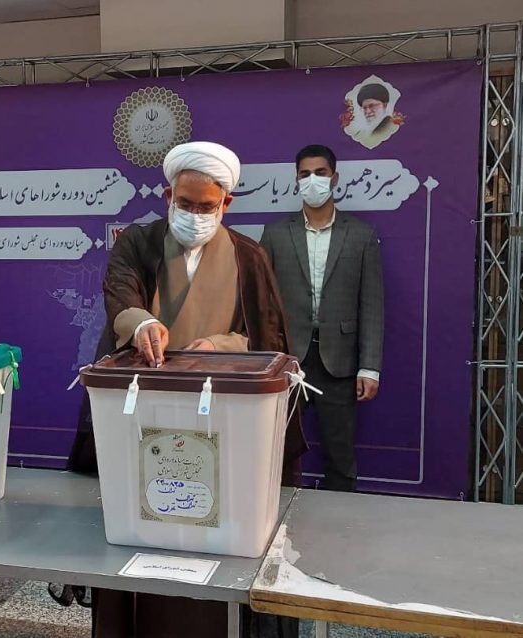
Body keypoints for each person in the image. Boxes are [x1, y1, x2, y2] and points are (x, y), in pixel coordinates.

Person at [66, 141, 306, 638]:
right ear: (167, 196)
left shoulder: (249, 256)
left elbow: (266, 338)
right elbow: (120, 293)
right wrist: (142, 323)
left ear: (226, 203)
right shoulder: (138, 241)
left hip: (223, 419)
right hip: (142, 412)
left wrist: (218, 345)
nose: (194, 215)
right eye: (185, 203)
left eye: (206, 206)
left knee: (213, 531)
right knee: (142, 530)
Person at [260, 144, 384, 492]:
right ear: (296, 180)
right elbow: (262, 301)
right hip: (287, 360)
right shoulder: (275, 234)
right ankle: (273, 515)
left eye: (320, 173)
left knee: (340, 455)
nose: (312, 180)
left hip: (340, 364)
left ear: (335, 178)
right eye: (305, 174)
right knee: (278, 450)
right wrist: (264, 357)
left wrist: (369, 367)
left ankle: (341, 519)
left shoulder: (360, 235)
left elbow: (372, 305)